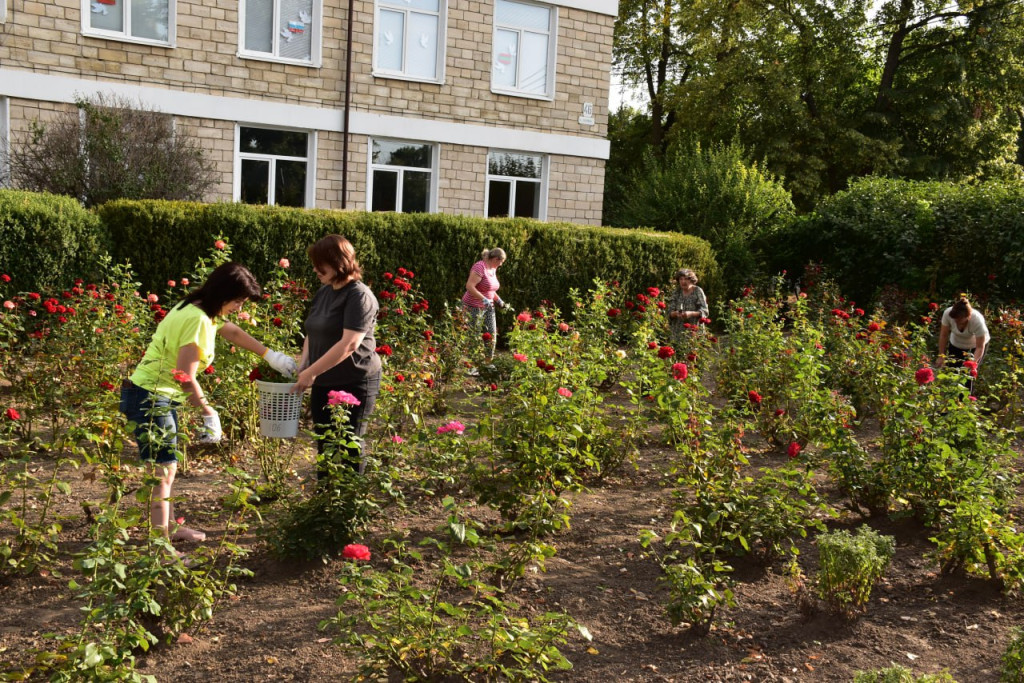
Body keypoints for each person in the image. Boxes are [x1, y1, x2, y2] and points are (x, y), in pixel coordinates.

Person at [120, 262, 297, 556]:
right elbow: (183, 375)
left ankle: (171, 529)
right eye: (238, 301)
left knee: (166, 468)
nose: (239, 308)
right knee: (162, 472)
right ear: (223, 293)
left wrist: (269, 355)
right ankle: (160, 549)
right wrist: (208, 411)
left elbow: (233, 332)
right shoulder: (198, 320)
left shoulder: (195, 308)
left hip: (152, 394)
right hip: (150, 398)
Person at [290, 235, 381, 475]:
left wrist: (311, 372)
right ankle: (325, 495)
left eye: (320, 264)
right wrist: (304, 364)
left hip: (355, 379)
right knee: (325, 441)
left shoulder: (359, 296)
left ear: (339, 263)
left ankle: (351, 496)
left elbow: (349, 344)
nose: (315, 270)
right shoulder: (324, 292)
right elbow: (312, 330)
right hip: (324, 379)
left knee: (350, 443)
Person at [462, 247, 509, 360]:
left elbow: (490, 289)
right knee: (473, 335)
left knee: (491, 334)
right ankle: (470, 363)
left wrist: (499, 300)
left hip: (488, 307)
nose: (501, 265)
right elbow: (469, 286)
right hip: (473, 307)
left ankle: (488, 361)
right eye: (501, 262)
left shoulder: (493, 268)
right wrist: (483, 299)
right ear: (495, 259)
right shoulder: (480, 267)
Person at [936, 295, 990, 394]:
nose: (957, 323)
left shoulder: (977, 321)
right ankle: (952, 398)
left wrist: (972, 364)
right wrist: (941, 355)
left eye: (960, 321)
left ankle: (965, 400)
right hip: (956, 344)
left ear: (968, 317)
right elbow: (943, 335)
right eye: (955, 320)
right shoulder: (948, 314)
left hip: (975, 347)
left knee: (967, 376)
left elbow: (980, 347)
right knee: (952, 372)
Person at [668, 268, 709, 341]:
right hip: (677, 333)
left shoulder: (697, 291)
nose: (683, 281)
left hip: (694, 331)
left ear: (691, 280)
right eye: (681, 279)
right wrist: (676, 313)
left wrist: (691, 313)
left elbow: (705, 311)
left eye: (686, 279)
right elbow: (669, 312)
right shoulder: (676, 292)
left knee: (693, 347)